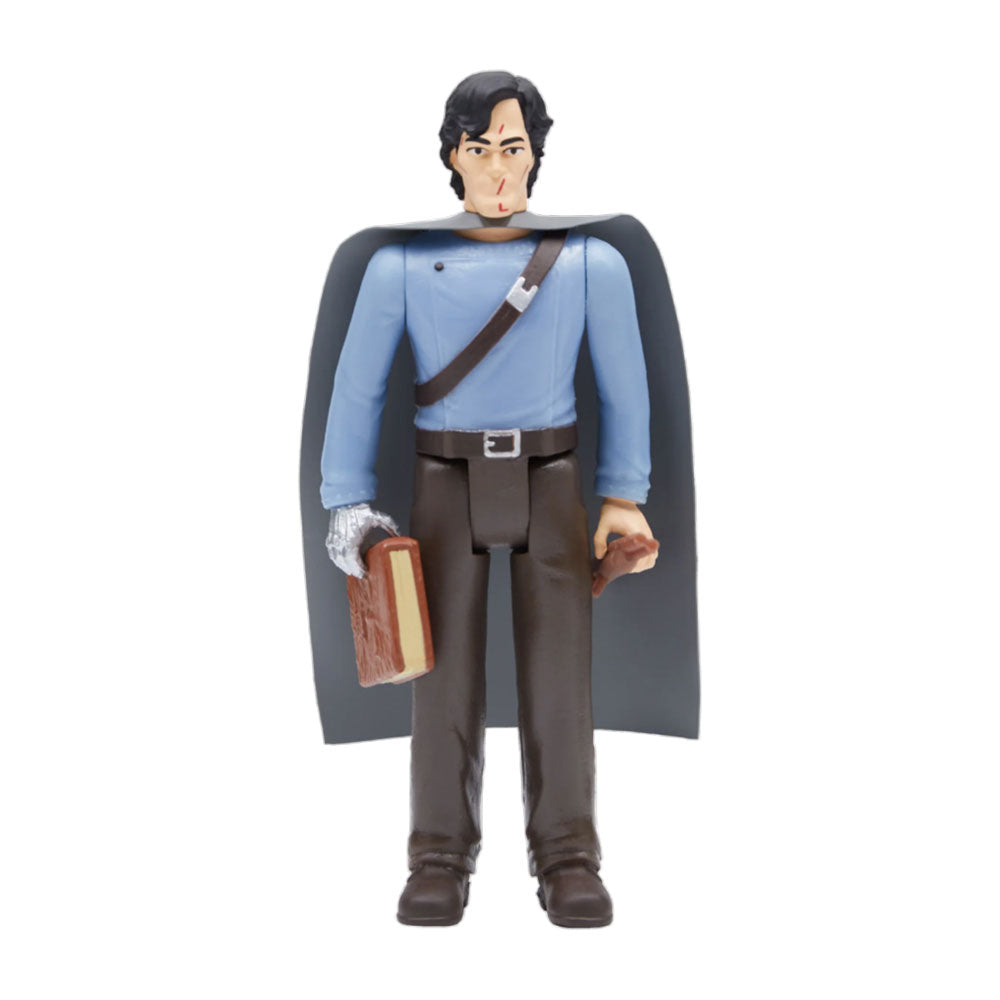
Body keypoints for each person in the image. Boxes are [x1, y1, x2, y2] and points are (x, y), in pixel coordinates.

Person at [315, 71, 691, 928]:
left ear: (536, 156)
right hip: (441, 479)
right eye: (479, 148)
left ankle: (568, 854)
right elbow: (357, 389)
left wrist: (623, 494)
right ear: (452, 156)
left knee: (561, 676)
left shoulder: (590, 263)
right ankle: (438, 855)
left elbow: (625, 388)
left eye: (512, 148)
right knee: (440, 675)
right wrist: (348, 501)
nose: (495, 168)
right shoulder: (397, 266)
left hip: (550, 478)